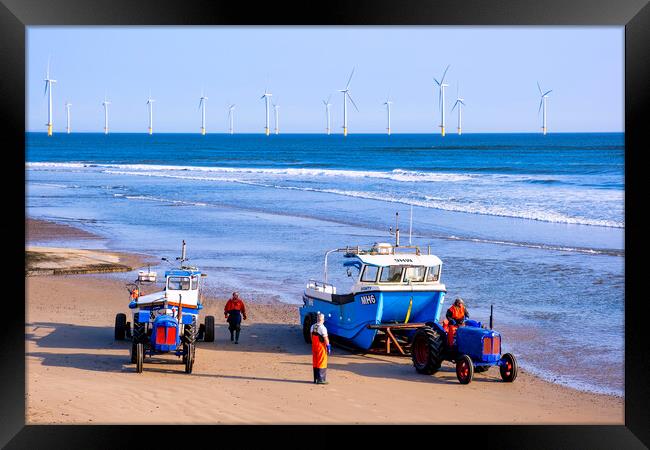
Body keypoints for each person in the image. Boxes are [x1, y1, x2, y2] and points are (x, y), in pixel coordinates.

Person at [310, 313, 331, 385]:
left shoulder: (313, 326)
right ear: (323, 320)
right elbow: (325, 338)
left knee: (315, 362)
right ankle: (321, 379)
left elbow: (311, 337)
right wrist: (328, 346)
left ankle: (315, 379)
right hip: (321, 347)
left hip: (314, 346)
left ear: (317, 319)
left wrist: (314, 344)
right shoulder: (323, 328)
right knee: (322, 361)